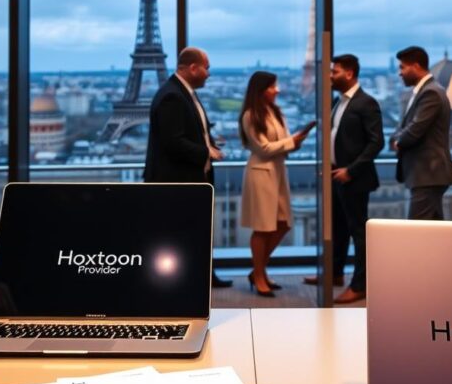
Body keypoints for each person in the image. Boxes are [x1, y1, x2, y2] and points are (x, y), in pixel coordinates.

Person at [143, 47, 232, 288]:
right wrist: (207, 151)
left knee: (193, 235)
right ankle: (183, 286)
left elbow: (189, 133)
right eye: (207, 68)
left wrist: (210, 143)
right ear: (193, 68)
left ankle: (200, 280)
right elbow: (173, 142)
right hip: (177, 182)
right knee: (179, 237)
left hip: (188, 180)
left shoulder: (181, 92)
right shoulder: (173, 96)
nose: (209, 74)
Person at [304, 54, 384, 304]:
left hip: (354, 178)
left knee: (358, 233)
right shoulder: (339, 103)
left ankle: (360, 286)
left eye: (335, 71)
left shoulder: (366, 102)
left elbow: (376, 142)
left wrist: (351, 170)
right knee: (337, 229)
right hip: (336, 175)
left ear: (349, 74)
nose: (330, 76)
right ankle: (335, 274)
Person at [239, 71, 313, 297]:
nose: (277, 90)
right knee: (263, 227)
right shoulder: (250, 115)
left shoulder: (275, 112)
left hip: (278, 171)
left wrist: (295, 142)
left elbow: (282, 144)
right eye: (273, 86)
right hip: (261, 174)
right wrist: (291, 142)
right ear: (261, 90)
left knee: (283, 224)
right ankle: (260, 275)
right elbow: (263, 148)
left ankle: (258, 271)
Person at [391, 45, 452, 220]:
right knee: (431, 230)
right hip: (427, 174)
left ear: (416, 66)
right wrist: (397, 137)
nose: (400, 73)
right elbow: (405, 125)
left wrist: (398, 142)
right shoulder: (423, 91)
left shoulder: (431, 93)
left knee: (417, 231)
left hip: (429, 174)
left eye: (402, 67)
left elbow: (415, 129)